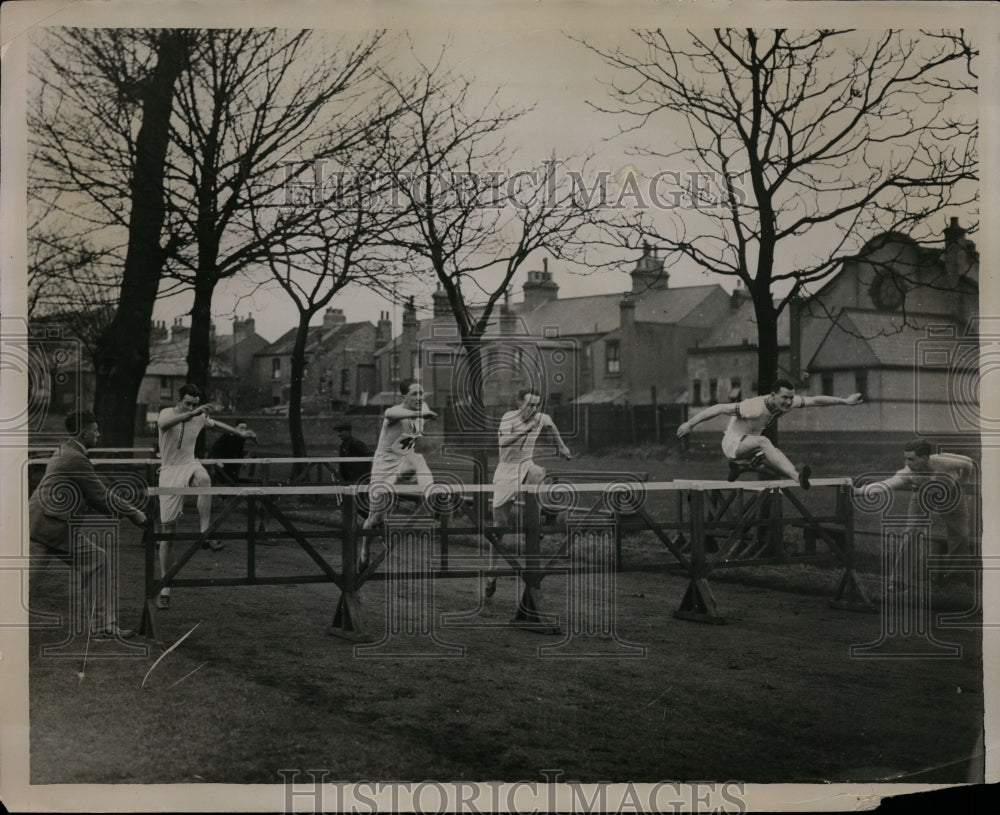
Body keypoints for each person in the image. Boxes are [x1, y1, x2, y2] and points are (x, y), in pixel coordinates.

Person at [28, 410, 147, 639]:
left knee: (97, 560)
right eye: (95, 430)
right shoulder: (74, 457)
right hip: (43, 527)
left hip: (55, 526)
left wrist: (115, 512)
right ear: (84, 432)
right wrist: (134, 513)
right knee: (23, 584)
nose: (98, 435)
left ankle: (103, 626)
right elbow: (99, 494)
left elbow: (88, 495)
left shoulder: (68, 451)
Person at [156, 384, 256, 609]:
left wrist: (239, 433)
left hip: (189, 463)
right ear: (178, 400)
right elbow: (163, 425)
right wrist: (192, 413)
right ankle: (165, 584)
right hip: (169, 471)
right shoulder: (167, 413)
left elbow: (216, 425)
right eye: (187, 403)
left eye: (195, 403)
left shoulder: (199, 417)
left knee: (204, 479)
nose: (191, 407)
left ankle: (204, 531)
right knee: (167, 534)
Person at [676, 378, 863, 489]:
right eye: (784, 398)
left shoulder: (787, 402)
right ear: (772, 396)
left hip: (750, 443)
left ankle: (794, 477)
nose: (788, 403)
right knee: (765, 442)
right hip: (733, 443)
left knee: (775, 461)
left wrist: (844, 401)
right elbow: (719, 408)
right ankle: (792, 476)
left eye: (791, 398)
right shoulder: (754, 407)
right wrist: (690, 424)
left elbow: (814, 400)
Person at [485, 387, 572, 598]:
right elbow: (503, 441)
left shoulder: (540, 417)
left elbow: (551, 425)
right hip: (506, 471)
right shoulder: (509, 418)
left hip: (525, 465)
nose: (533, 408)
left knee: (537, 471)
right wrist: (526, 430)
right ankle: (492, 573)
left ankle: (534, 521)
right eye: (529, 404)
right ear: (519, 403)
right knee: (499, 527)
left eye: (536, 405)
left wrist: (561, 446)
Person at [857, 439, 976, 588]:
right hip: (922, 493)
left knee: (960, 533)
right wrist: (859, 491)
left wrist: (963, 482)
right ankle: (900, 580)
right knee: (912, 531)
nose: (907, 463)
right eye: (905, 458)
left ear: (924, 458)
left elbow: (968, 463)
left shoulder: (942, 461)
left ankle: (956, 576)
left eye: (911, 459)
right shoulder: (907, 472)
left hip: (952, 493)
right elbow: (887, 484)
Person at [357, 378, 436, 572]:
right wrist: (420, 413)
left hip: (404, 463)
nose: (419, 397)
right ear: (403, 397)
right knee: (375, 519)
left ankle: (430, 495)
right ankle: (365, 550)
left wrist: (423, 412)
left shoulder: (422, 407)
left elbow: (425, 408)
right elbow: (389, 413)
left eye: (421, 393)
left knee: (418, 458)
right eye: (414, 394)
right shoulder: (395, 413)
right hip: (383, 470)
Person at [209, 419, 254, 483]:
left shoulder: (242, 438)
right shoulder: (227, 436)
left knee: (233, 481)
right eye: (241, 428)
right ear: (236, 428)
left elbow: (240, 451)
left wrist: (243, 461)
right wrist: (218, 460)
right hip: (223, 464)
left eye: (244, 428)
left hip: (234, 465)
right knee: (223, 482)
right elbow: (215, 448)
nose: (243, 430)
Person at [333, 422, 373, 486]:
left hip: (359, 479)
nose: (338, 434)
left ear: (348, 431)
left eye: (340, 431)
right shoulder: (342, 445)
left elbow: (370, 455)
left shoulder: (356, 443)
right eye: (338, 432)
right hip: (348, 480)